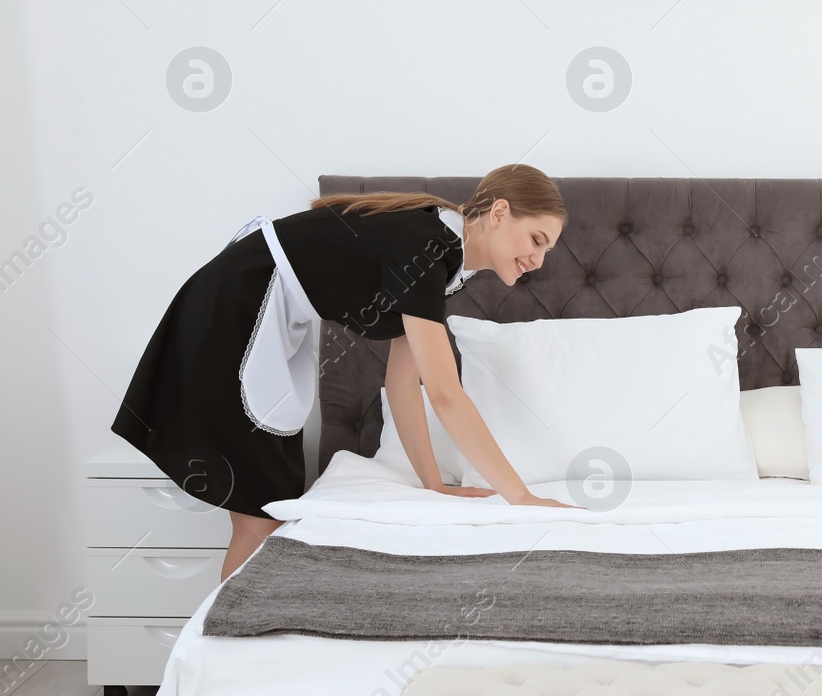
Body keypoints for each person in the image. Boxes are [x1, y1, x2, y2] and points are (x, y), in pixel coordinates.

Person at [111, 164, 575, 579]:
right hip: (235, 308)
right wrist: (520, 497)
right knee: (262, 512)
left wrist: (433, 484)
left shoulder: (440, 259)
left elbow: (401, 384)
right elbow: (445, 394)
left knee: (268, 506)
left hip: (260, 310)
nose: (539, 260)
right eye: (537, 239)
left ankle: (232, 641)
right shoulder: (428, 247)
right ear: (499, 212)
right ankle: (224, 650)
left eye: (548, 250)